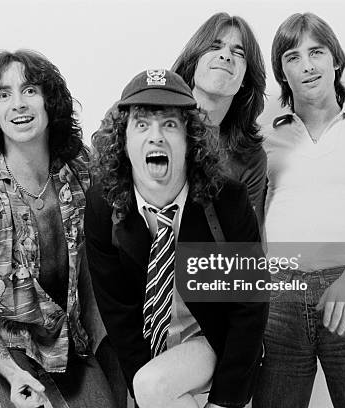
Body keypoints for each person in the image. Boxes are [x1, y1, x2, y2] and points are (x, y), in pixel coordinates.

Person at [86, 69, 268, 408]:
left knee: (154, 384)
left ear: (190, 140)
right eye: (141, 124)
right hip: (149, 349)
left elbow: (250, 307)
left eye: (170, 124)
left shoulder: (227, 201)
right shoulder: (103, 204)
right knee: (152, 385)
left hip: (213, 339)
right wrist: (145, 395)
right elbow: (118, 314)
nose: (156, 136)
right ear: (123, 142)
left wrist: (225, 402)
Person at [252, 12, 345, 408]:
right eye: (292, 57)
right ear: (282, 73)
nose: (307, 65)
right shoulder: (264, 137)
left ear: (335, 59)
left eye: (316, 51)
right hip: (279, 296)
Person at [0, 49, 115, 408]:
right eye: (3, 95)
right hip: (12, 346)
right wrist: (12, 374)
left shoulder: (79, 170)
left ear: (48, 101)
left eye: (29, 90)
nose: (18, 104)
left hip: (75, 337)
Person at [171, 12, 267, 227]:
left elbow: (244, 244)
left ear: (245, 79)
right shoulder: (152, 122)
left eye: (238, 52)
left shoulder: (250, 157)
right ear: (194, 61)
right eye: (215, 47)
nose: (225, 56)